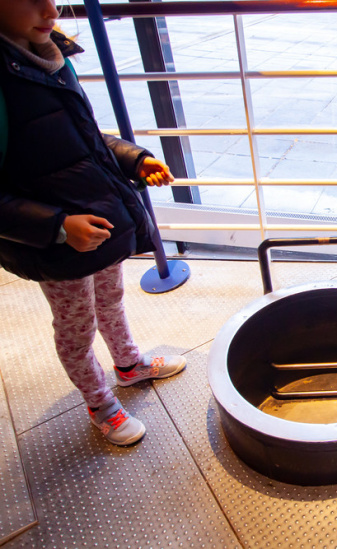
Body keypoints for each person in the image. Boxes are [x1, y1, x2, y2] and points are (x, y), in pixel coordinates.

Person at [0, 0, 186, 446]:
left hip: (96, 220)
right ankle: (100, 404)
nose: (52, 10)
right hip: (59, 241)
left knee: (111, 299)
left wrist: (133, 158)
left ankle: (127, 366)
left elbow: (85, 139)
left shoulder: (49, 55)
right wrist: (60, 226)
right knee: (75, 325)